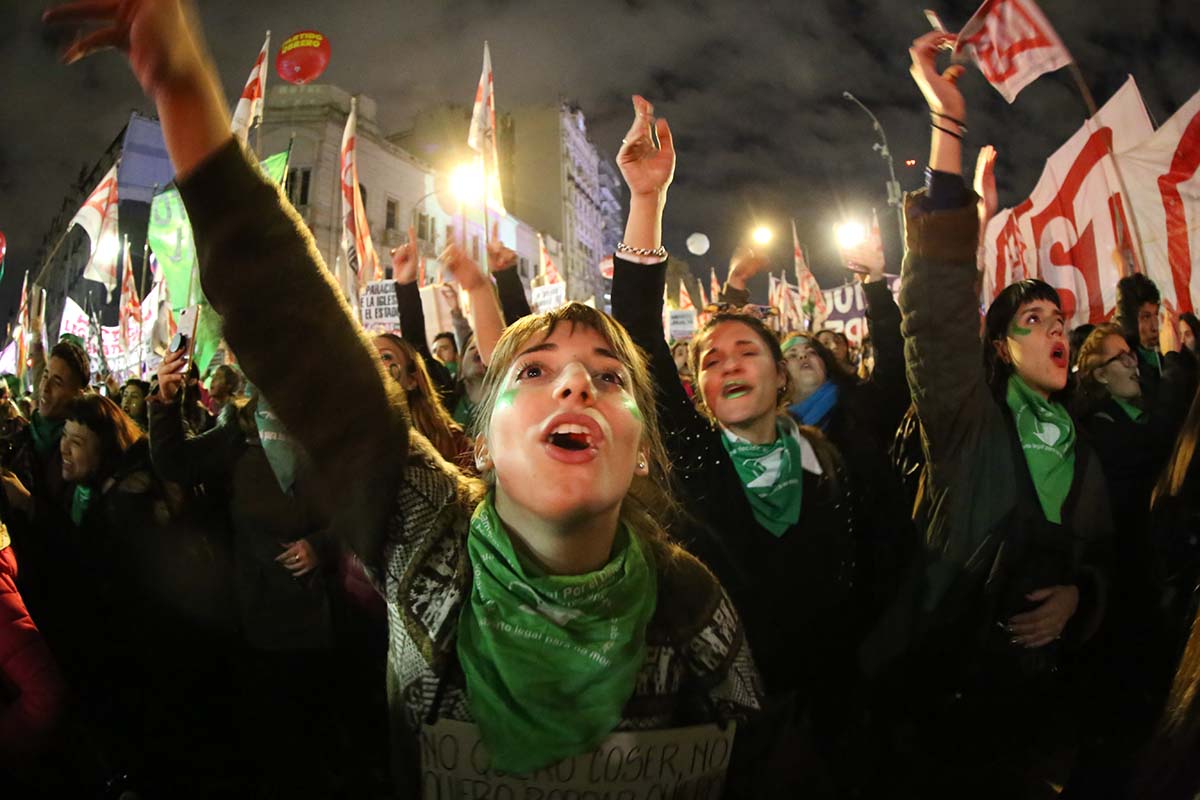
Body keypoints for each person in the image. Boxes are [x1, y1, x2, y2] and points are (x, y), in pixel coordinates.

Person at [50, 6, 769, 794]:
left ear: (643, 454)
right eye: (533, 372)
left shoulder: (692, 602)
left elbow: (759, 761)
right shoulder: (423, 529)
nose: (574, 384)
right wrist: (180, 83)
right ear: (480, 440)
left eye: (608, 377)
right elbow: (296, 329)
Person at [868, 31, 1114, 799]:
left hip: (1044, 717)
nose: (1055, 332)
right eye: (1031, 322)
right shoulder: (967, 420)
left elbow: (1107, 559)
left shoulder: (1086, 440)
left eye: (1059, 320)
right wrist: (947, 126)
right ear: (1001, 351)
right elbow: (936, 310)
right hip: (943, 706)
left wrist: (1083, 601)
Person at [610, 96, 855, 788]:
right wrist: (647, 198)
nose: (726, 365)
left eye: (745, 351)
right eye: (710, 360)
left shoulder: (836, 467)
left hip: (831, 728)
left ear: (782, 376)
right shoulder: (695, 460)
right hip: (721, 740)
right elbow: (636, 328)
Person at [372, 332, 474, 470]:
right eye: (367, 357)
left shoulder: (453, 441)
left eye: (385, 357)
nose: (374, 363)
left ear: (412, 380)